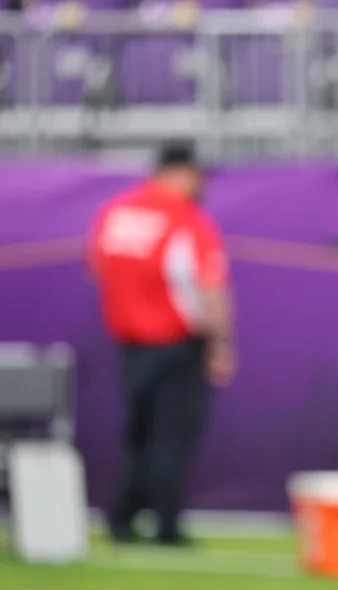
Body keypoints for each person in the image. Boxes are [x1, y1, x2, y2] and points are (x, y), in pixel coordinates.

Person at [87, 142, 237, 545]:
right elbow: (210, 288)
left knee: (138, 434)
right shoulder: (187, 220)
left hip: (130, 344)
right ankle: (165, 523)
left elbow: (98, 268)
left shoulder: (115, 212)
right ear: (181, 172)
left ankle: (121, 517)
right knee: (170, 437)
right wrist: (221, 342)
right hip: (176, 343)